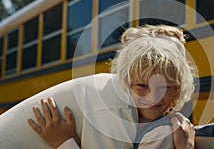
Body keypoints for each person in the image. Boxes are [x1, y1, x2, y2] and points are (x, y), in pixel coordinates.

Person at [0, 24, 196, 149]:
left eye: (164, 87)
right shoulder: (115, 105)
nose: (153, 97)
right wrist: (64, 142)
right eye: (142, 85)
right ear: (127, 80)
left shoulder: (153, 121)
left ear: (177, 88)